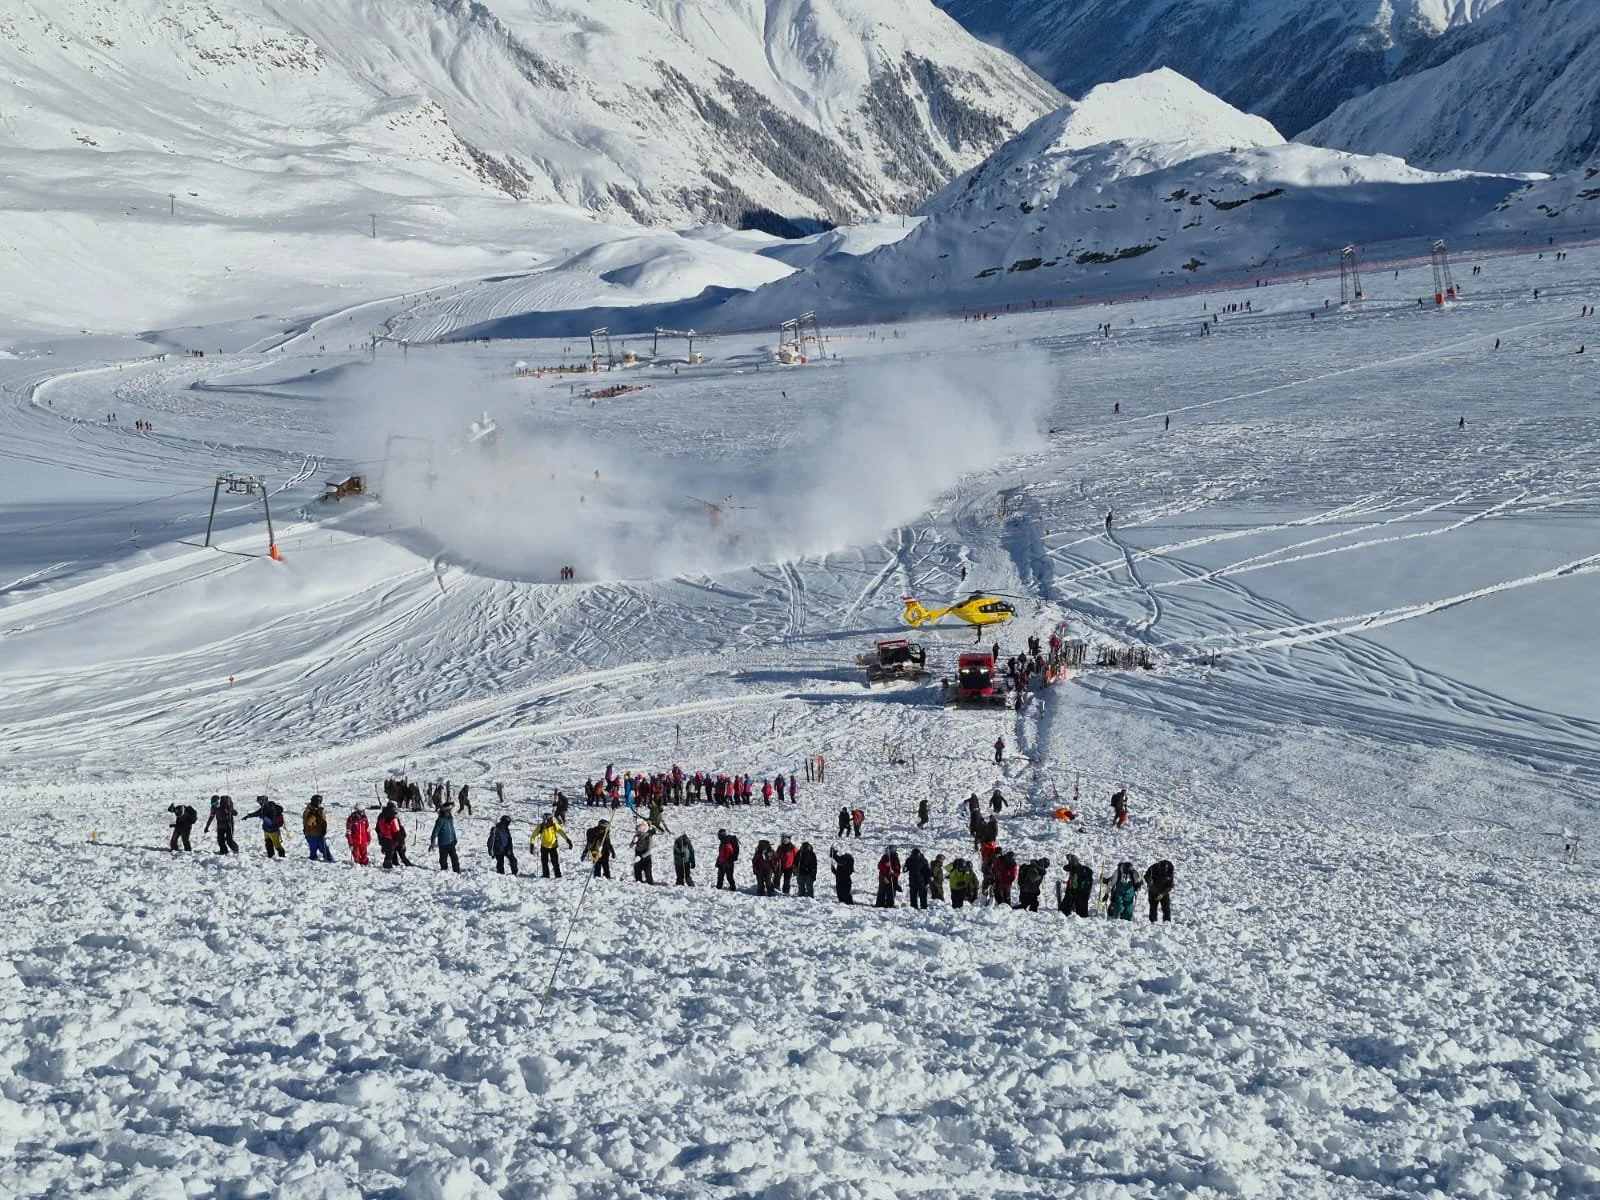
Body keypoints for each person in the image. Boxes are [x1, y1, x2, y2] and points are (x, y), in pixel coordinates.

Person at [429, 803, 460, 872]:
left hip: (451, 842)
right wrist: (432, 841)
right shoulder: (440, 820)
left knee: (454, 858)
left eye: (449, 810)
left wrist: (454, 838)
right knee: (443, 860)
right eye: (448, 811)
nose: (449, 812)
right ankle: (444, 871)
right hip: (443, 844)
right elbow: (435, 832)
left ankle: (457, 871)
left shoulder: (450, 818)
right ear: (444, 811)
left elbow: (452, 829)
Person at [303, 795, 333, 862]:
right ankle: (312, 861)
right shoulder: (308, 810)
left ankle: (329, 859)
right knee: (313, 849)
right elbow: (308, 822)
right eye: (318, 802)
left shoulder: (320, 810)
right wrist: (314, 814)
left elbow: (323, 821)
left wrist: (324, 829)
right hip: (311, 834)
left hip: (320, 833)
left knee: (324, 848)